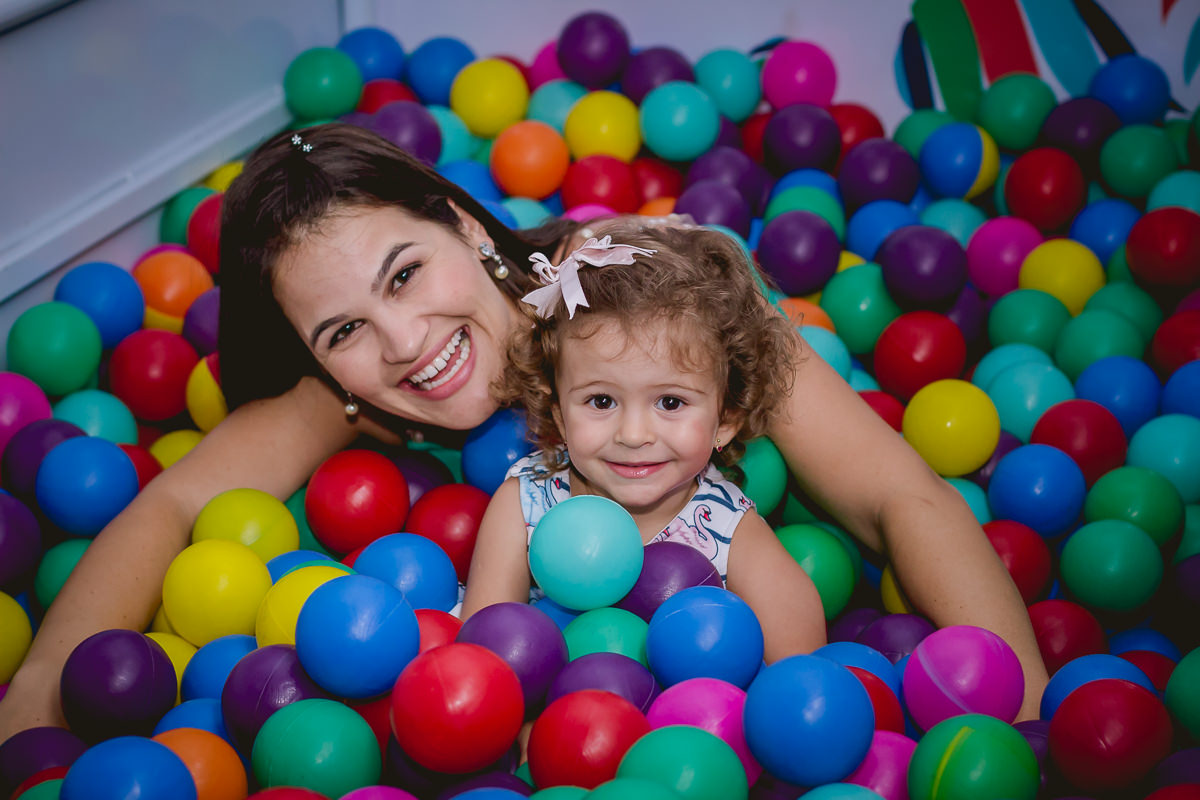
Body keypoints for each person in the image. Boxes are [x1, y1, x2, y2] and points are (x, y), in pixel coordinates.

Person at [0, 123, 1047, 741]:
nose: (405, 342)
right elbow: (173, 503)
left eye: (405, 274)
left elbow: (898, 494)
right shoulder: (347, 401)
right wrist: (34, 706)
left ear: (462, 223)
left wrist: (1029, 708)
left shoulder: (644, 306)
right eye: (343, 331)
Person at [461, 224, 828, 660]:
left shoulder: (729, 532)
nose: (633, 435)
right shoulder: (525, 502)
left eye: (670, 402)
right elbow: (483, 651)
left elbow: (798, 659)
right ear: (558, 411)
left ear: (726, 419)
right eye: (601, 401)